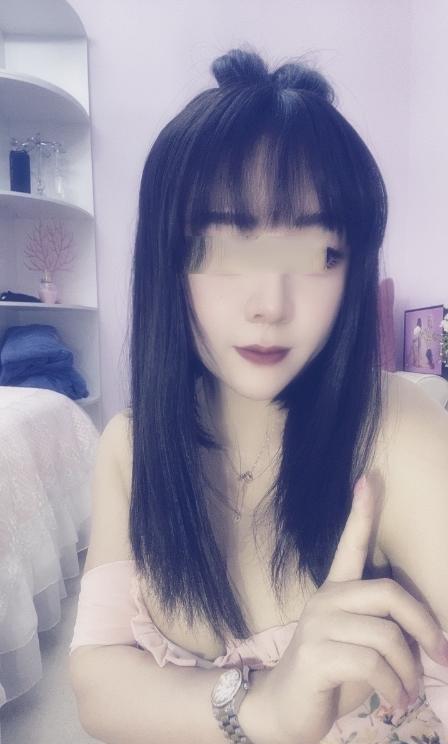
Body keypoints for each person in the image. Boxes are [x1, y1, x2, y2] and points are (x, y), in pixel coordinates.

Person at [68, 47, 448, 743]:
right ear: (167, 259)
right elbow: (96, 680)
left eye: (318, 253)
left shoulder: (393, 429)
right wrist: (265, 708)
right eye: (222, 247)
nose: (270, 303)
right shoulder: (131, 444)